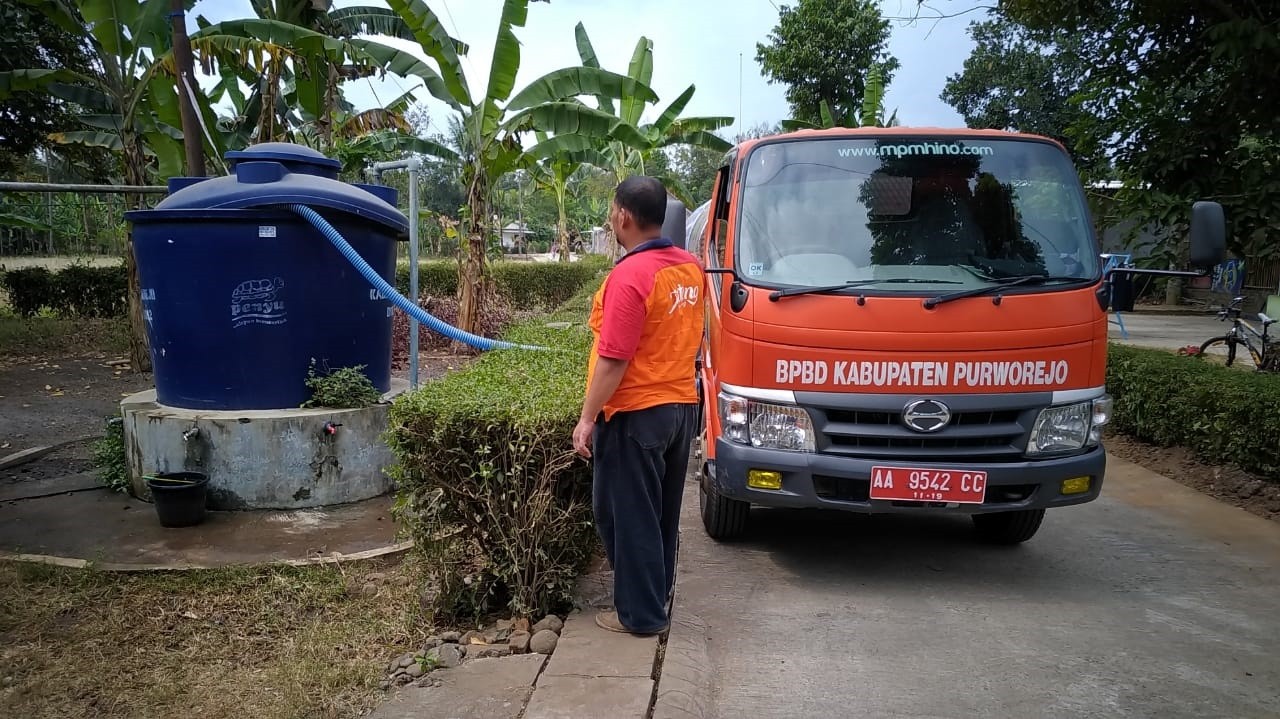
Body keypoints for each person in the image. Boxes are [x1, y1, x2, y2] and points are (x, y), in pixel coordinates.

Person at [572, 176, 706, 636]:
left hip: (636, 413)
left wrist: (587, 417)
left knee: (627, 517)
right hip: (679, 409)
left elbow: (613, 359)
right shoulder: (690, 268)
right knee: (662, 514)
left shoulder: (630, 276)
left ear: (623, 216)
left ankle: (642, 616)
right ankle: (657, 598)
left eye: (613, 209)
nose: (612, 217)